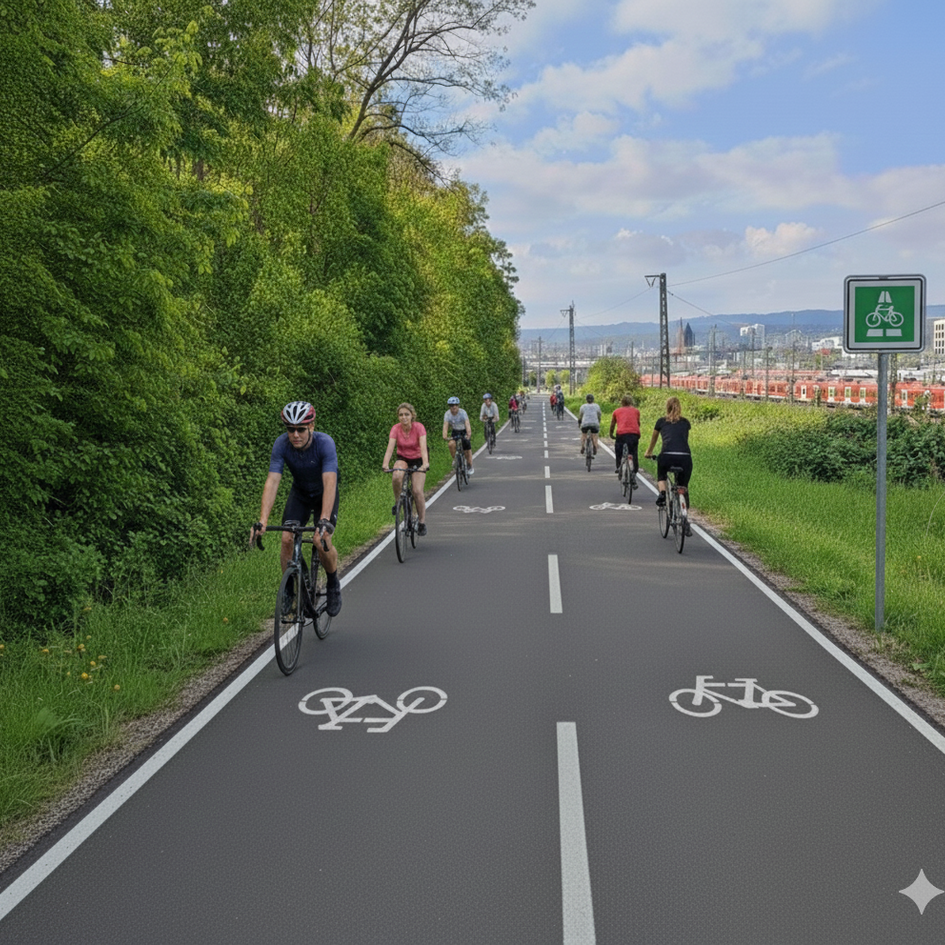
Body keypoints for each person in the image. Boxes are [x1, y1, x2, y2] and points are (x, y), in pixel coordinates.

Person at [251, 401, 342, 616]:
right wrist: (263, 519)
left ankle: (332, 584)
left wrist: (324, 519)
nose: (295, 435)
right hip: (300, 494)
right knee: (286, 539)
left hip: (324, 494)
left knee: (321, 540)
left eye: (300, 429)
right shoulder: (281, 444)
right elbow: (273, 481)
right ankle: (290, 591)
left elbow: (330, 481)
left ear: (311, 426)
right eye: (290, 429)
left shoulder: (325, 443)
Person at [644, 395, 693, 534]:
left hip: (667, 456)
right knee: (683, 486)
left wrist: (648, 452)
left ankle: (662, 493)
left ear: (667, 407)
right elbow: (683, 440)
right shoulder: (686, 422)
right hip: (685, 457)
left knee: (662, 476)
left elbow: (654, 440)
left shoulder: (661, 422)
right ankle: (684, 517)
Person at [382, 402, 430, 536]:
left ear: (412, 416)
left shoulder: (419, 427)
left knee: (417, 490)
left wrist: (425, 464)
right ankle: (398, 502)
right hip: (402, 458)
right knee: (397, 475)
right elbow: (390, 449)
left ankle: (421, 522)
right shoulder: (396, 429)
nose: (403, 417)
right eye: (401, 415)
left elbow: (424, 447)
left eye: (406, 414)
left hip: (418, 459)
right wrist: (385, 464)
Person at [609, 394, 641, 479]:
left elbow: (612, 424)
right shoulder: (636, 411)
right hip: (634, 435)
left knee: (618, 450)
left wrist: (611, 434)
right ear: (631, 402)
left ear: (622, 402)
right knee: (634, 452)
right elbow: (638, 423)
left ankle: (619, 466)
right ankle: (634, 471)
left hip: (621, 434)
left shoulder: (616, 411)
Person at [442, 396, 474, 475]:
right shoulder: (447, 414)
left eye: (456, 405)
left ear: (458, 405)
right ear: (449, 407)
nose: (454, 407)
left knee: (467, 447)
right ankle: (455, 459)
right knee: (451, 444)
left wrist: (468, 434)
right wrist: (445, 436)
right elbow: (445, 425)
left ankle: (470, 465)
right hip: (455, 431)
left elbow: (467, 424)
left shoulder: (463, 412)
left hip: (463, 431)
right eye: (452, 405)